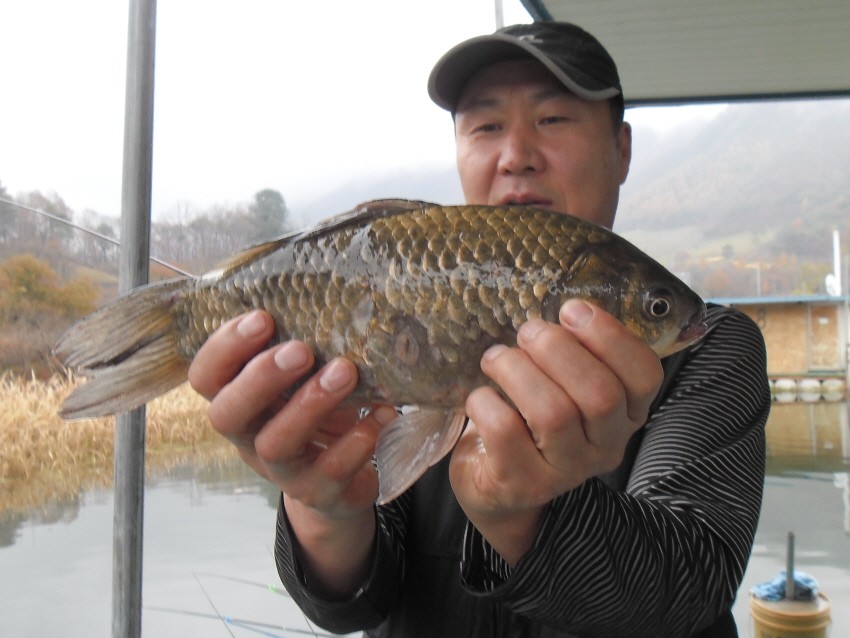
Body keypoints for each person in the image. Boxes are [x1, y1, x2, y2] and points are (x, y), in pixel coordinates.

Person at [188, 21, 770, 637]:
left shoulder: (712, 347)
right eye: (486, 126)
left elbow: (693, 588)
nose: (516, 154)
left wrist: (525, 517)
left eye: (553, 118)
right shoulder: (398, 309)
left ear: (621, 149)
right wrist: (325, 508)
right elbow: (354, 604)